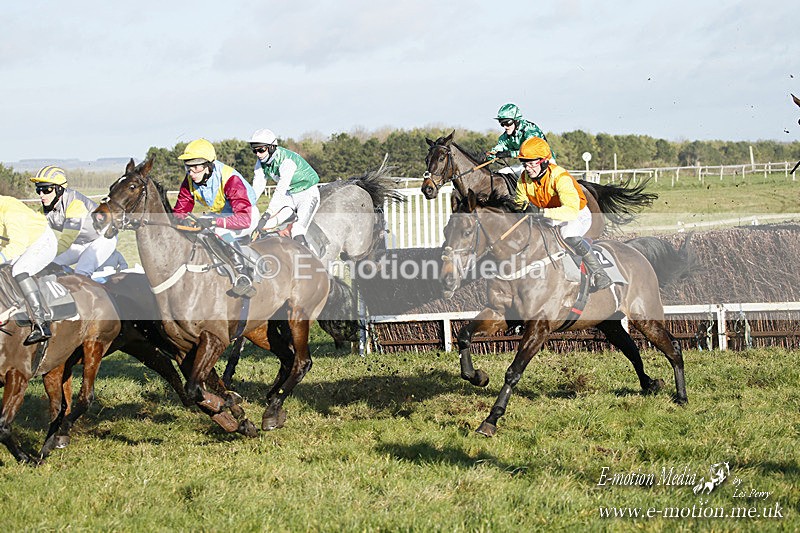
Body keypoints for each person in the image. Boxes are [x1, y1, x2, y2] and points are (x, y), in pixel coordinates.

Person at [513, 137, 612, 290]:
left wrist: (540, 212)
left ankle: (600, 274)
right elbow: (519, 204)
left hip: (577, 214)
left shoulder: (560, 178)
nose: (528, 168)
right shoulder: (523, 179)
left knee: (568, 235)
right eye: (525, 163)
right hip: (549, 216)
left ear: (544, 161)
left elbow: (571, 211)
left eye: (532, 163)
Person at [173, 138, 260, 298]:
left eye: (196, 168)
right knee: (197, 229)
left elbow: (243, 219)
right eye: (188, 167)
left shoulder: (230, 179)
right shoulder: (190, 180)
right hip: (223, 214)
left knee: (218, 229)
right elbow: (180, 210)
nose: (191, 173)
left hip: (247, 214)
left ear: (208, 165)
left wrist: (213, 221)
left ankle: (243, 276)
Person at [30, 166, 119, 277]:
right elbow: (33, 233)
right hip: (80, 242)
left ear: (59, 189)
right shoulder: (43, 209)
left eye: (47, 190)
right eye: (38, 190)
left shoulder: (75, 204)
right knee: (48, 264)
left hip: (102, 239)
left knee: (81, 272)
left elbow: (66, 240)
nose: (42, 195)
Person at [0, 195, 59, 343]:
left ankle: (41, 324)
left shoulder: (11, 210)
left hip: (41, 241)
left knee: (19, 270)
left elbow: (17, 245)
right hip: (21, 242)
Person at [249, 128, 320, 248]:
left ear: (271, 147)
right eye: (254, 151)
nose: (258, 154)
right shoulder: (260, 162)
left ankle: (311, 262)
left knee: (297, 230)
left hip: (307, 194)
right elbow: (257, 187)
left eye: (261, 150)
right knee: (265, 225)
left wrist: (267, 213)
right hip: (290, 196)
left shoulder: (286, 161)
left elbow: (280, 190)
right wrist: (245, 206)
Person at [487, 103, 552, 161]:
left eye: (507, 123)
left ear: (516, 121)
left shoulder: (530, 131)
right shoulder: (506, 136)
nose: (505, 127)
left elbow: (531, 151)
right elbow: (499, 147)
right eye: (502, 123)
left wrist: (510, 153)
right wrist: (489, 155)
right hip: (528, 164)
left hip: (545, 161)